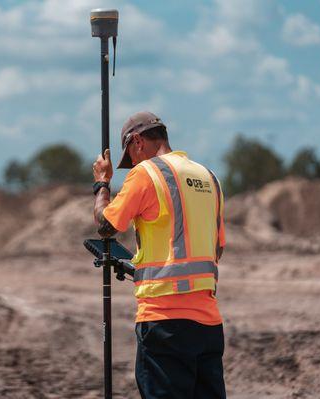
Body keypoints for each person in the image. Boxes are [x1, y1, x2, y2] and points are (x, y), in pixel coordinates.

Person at [92, 111, 227, 399]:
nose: (133, 166)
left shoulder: (147, 173)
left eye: (130, 157)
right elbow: (217, 249)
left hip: (164, 322)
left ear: (138, 141)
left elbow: (106, 225)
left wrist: (102, 184)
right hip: (209, 325)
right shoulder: (209, 178)